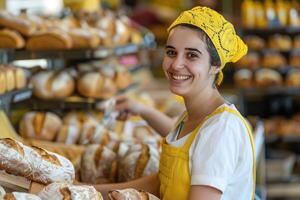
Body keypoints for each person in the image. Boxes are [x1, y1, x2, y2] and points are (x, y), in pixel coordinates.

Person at [95, 6, 255, 200]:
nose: (176, 64)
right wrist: (88, 190)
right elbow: (164, 179)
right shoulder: (191, 116)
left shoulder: (221, 128)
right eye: (171, 52)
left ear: (216, 65)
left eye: (192, 55)